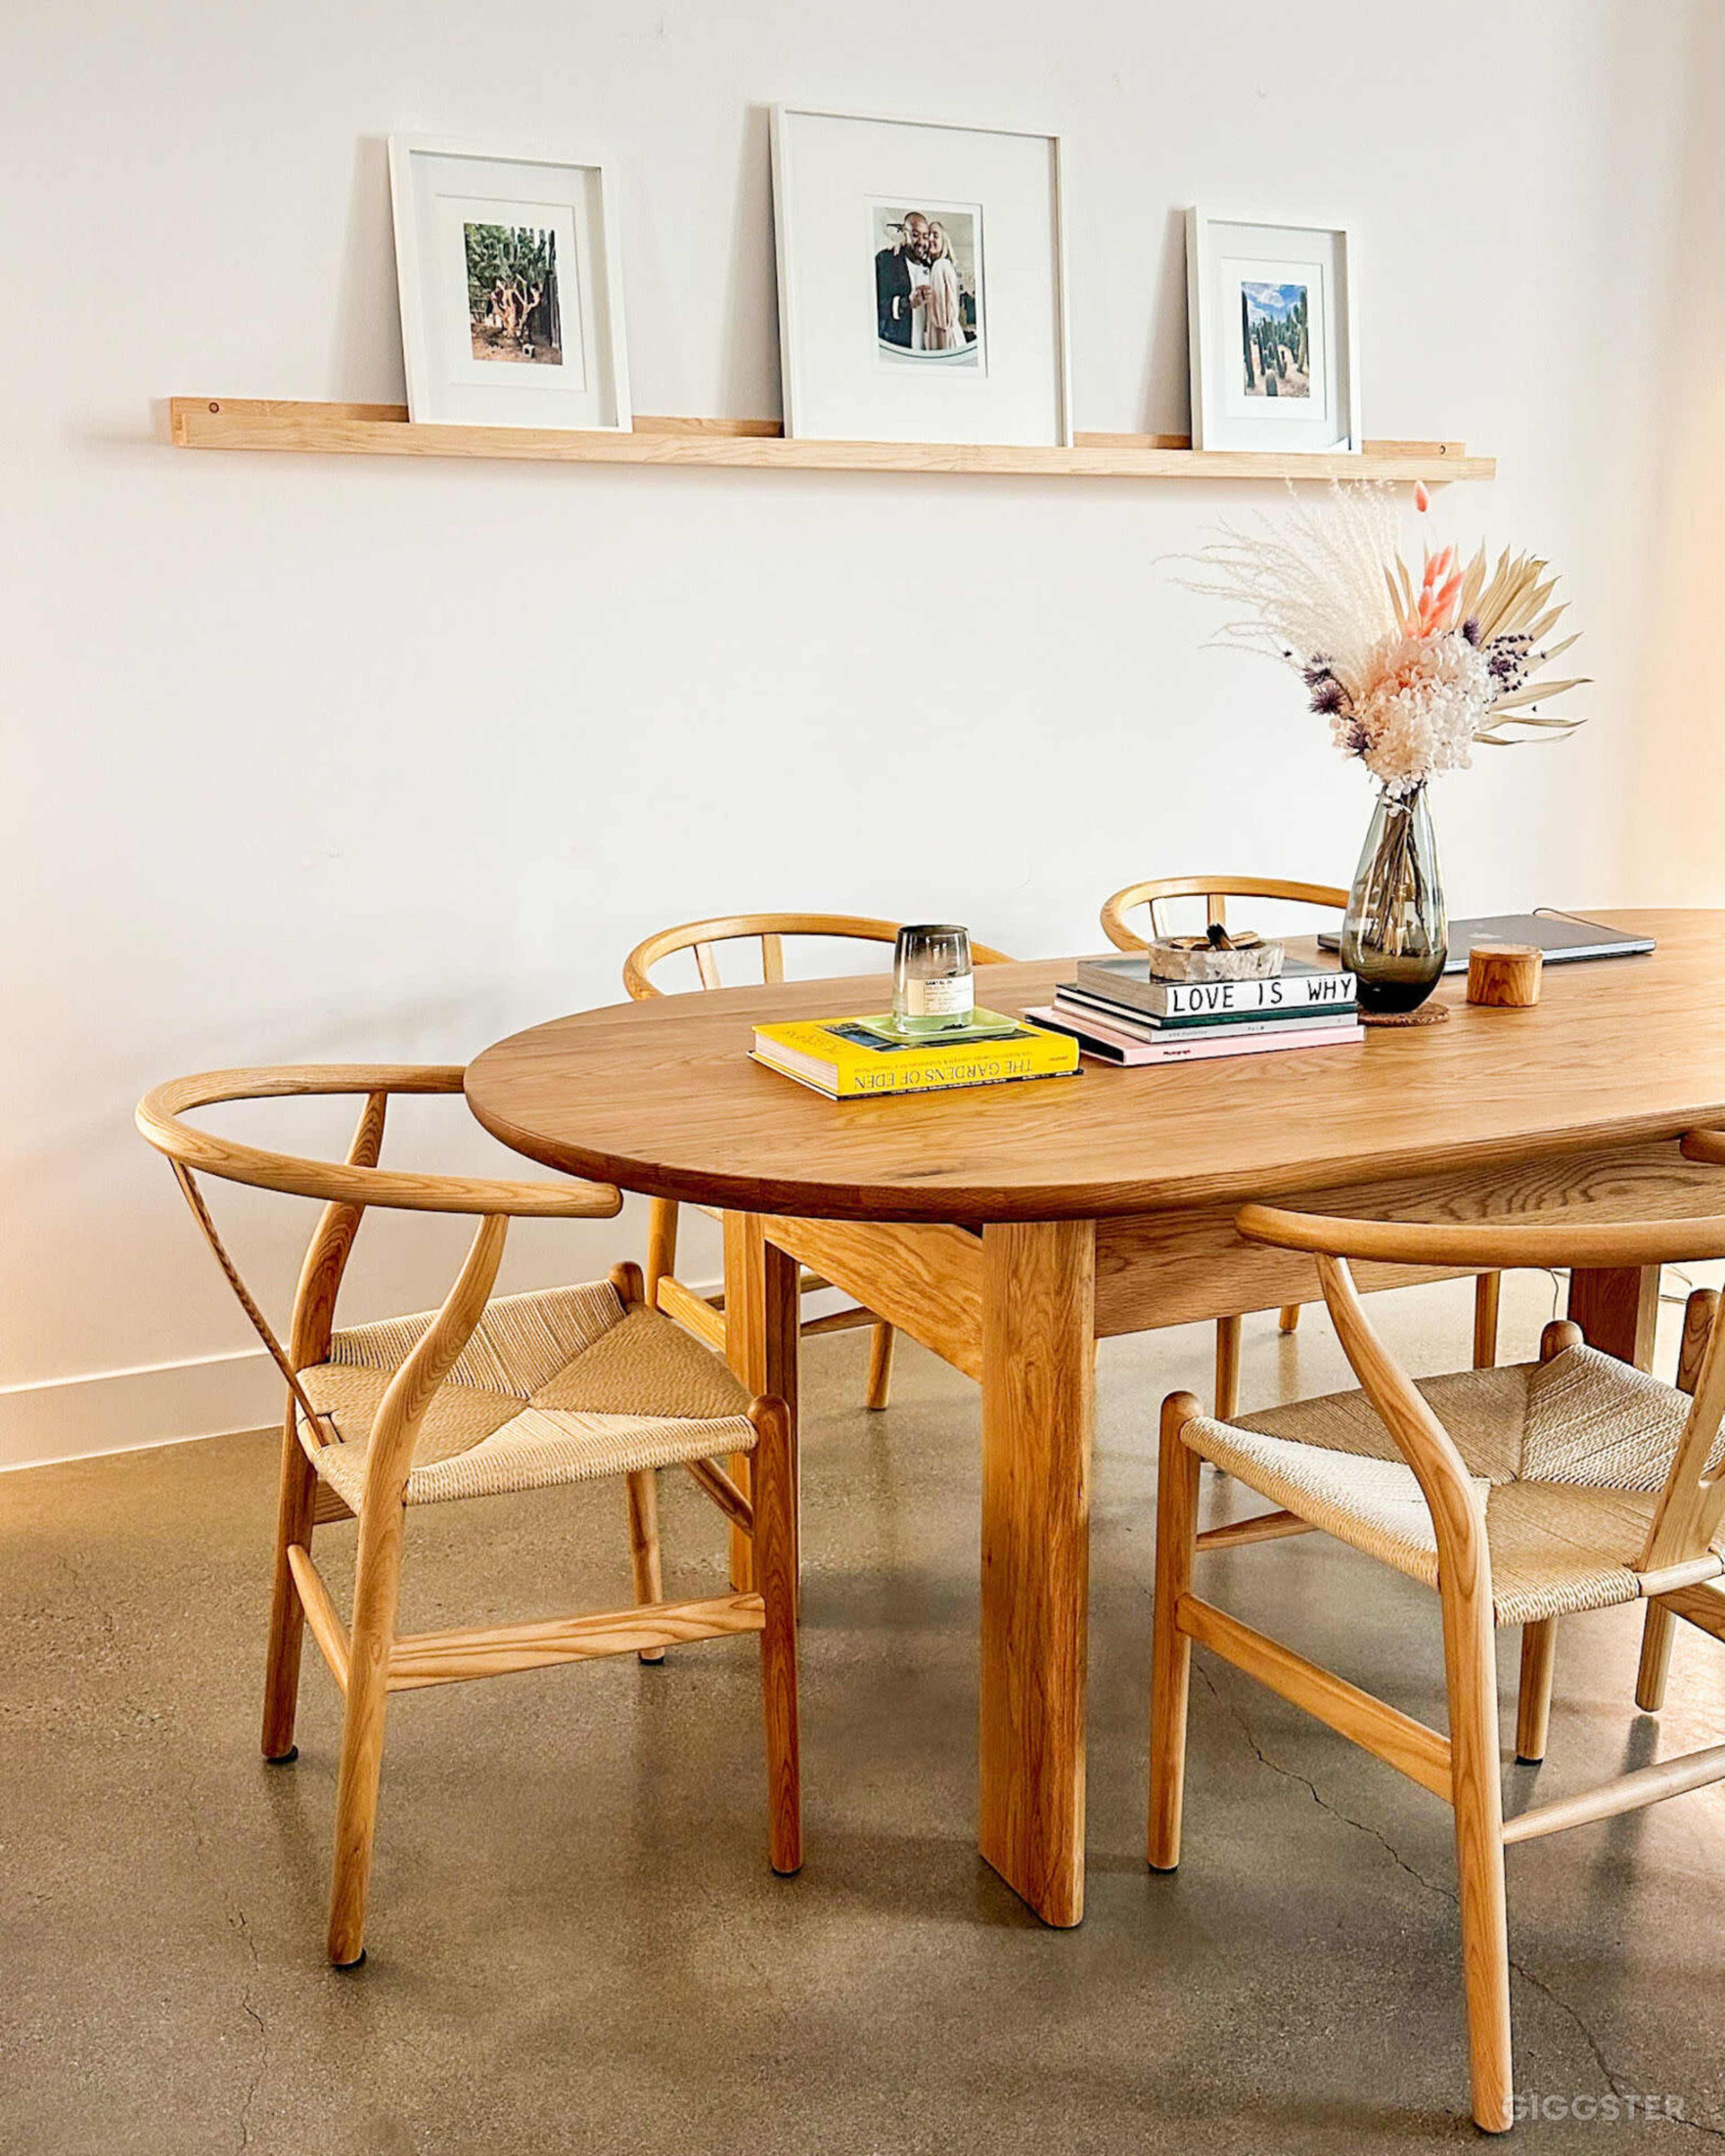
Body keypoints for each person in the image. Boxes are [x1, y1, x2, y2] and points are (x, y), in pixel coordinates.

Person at [875, 211, 928, 349]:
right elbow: (873, 307)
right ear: (905, 234)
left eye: (925, 236)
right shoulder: (886, 260)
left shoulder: (930, 267)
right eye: (915, 235)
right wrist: (906, 303)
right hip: (897, 350)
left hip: (927, 351)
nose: (922, 242)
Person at [921, 222, 969, 353]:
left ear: (944, 242)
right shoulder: (945, 266)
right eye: (928, 236)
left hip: (945, 341)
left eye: (936, 236)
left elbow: (943, 321)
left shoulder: (939, 266)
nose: (930, 239)